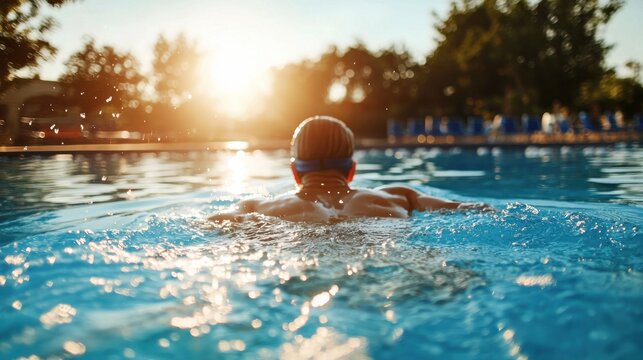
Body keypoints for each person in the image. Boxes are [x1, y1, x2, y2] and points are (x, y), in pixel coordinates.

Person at [209, 116, 490, 223]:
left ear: (295, 172)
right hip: (382, 251)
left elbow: (215, 220)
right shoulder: (402, 196)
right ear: (351, 170)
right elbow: (466, 208)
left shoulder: (255, 207)